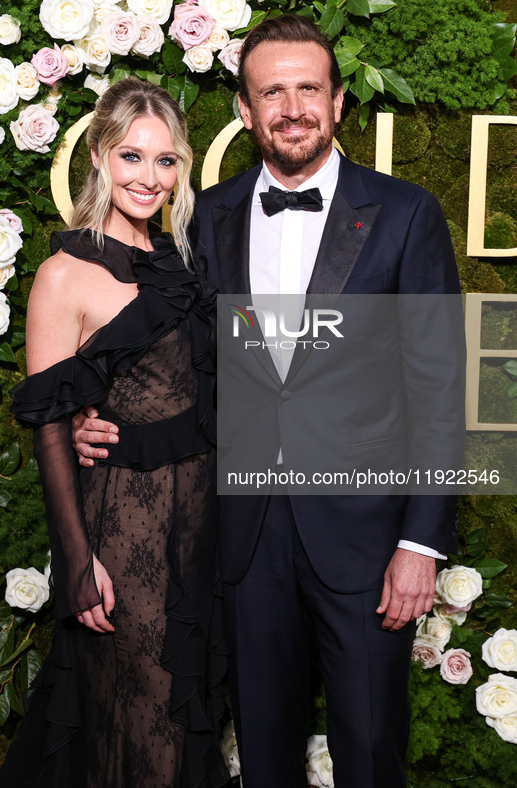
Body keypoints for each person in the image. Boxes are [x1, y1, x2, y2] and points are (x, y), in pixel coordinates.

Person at [73, 16, 464, 788]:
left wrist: (420, 543)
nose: (292, 108)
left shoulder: (405, 212)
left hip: (364, 537)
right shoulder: (202, 218)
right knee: (261, 749)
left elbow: (440, 382)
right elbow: (174, 359)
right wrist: (100, 417)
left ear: (337, 101)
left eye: (307, 89)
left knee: (370, 748)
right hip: (240, 537)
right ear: (245, 112)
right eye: (270, 92)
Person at [0, 78, 228, 788]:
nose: (148, 177)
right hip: (122, 530)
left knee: (188, 720)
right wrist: (75, 561)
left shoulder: (188, 264)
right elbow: (49, 431)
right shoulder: (64, 275)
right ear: (97, 155)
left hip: (200, 526)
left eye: (165, 162)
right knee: (139, 721)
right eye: (131, 156)